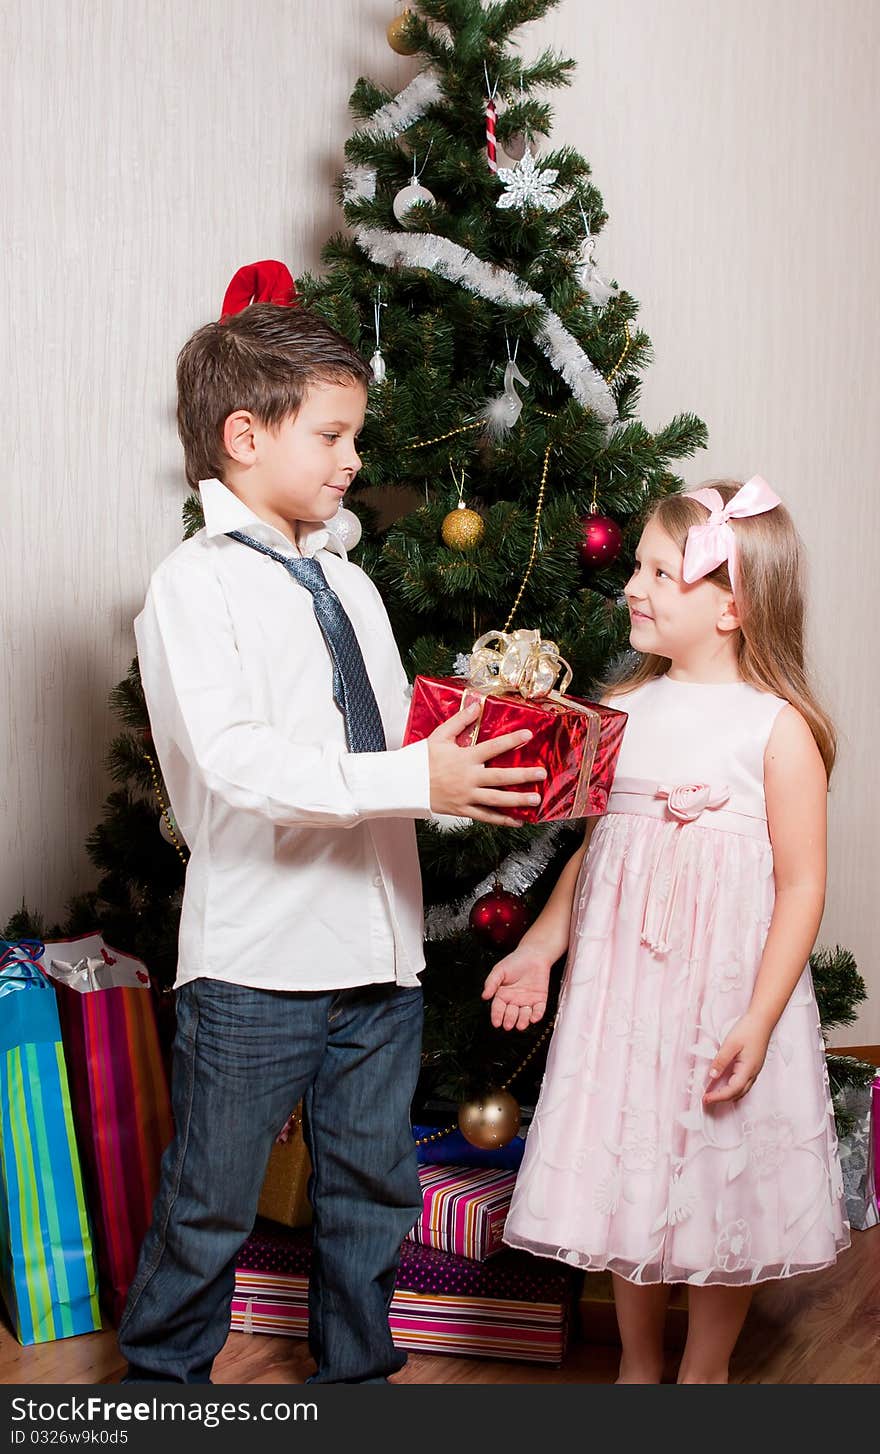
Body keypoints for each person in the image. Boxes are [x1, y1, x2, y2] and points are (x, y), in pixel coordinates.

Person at [117, 291, 546, 1385]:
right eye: (333, 435)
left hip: (379, 949)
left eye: (356, 435)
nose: (354, 459)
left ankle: (357, 1378)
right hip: (261, 959)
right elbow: (237, 763)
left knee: (372, 1189)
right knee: (211, 1196)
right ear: (244, 436)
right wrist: (414, 769)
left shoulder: (350, 583)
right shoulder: (192, 586)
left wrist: (475, 774)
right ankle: (159, 1388)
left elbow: (393, 746)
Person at [483, 478, 849, 1385]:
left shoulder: (776, 729)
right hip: (626, 998)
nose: (632, 586)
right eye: (637, 566)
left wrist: (759, 1020)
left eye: (659, 571)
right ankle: (639, 1363)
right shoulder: (624, 712)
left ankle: (707, 1369)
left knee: (720, 1170)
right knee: (631, 1175)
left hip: (724, 996)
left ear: (732, 606)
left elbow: (802, 885)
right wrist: (539, 945)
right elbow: (595, 854)